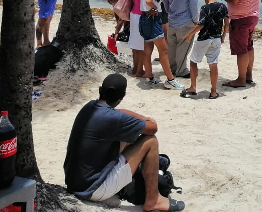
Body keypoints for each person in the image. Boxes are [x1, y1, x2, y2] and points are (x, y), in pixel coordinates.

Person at [63, 73, 184, 211]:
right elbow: (152, 128)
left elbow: (118, 113)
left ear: (100, 90)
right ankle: (153, 200)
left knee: (125, 138)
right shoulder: (113, 118)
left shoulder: (89, 107)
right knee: (150, 141)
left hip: (74, 182)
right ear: (122, 96)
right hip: (93, 188)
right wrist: (145, 118)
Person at [217, 0, 261, 88]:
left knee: (241, 50)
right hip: (253, 16)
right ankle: (248, 75)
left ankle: (241, 79)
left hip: (241, 18)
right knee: (249, 46)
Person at [181, 0, 229, 99]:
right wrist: (223, 36)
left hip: (204, 39)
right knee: (213, 64)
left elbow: (201, 25)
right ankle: (213, 91)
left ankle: (193, 87)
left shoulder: (204, 8)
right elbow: (227, 23)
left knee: (193, 62)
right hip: (216, 38)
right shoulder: (223, 6)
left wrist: (189, 35)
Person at [138, 0, 184, 90]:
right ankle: (170, 80)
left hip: (144, 18)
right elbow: (149, 1)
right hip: (152, 19)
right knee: (163, 51)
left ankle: (149, 77)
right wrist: (154, 8)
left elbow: (144, 1)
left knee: (147, 50)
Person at [164, 0, 197, 80]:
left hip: (172, 18)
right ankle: (181, 70)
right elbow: (193, 1)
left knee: (172, 45)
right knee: (184, 45)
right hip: (185, 19)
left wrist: (168, 11)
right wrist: (195, 18)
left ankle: (172, 67)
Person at [128, 0, 152, 77]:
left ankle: (135, 68)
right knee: (142, 45)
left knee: (135, 43)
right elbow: (147, 2)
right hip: (141, 15)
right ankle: (139, 71)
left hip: (133, 13)